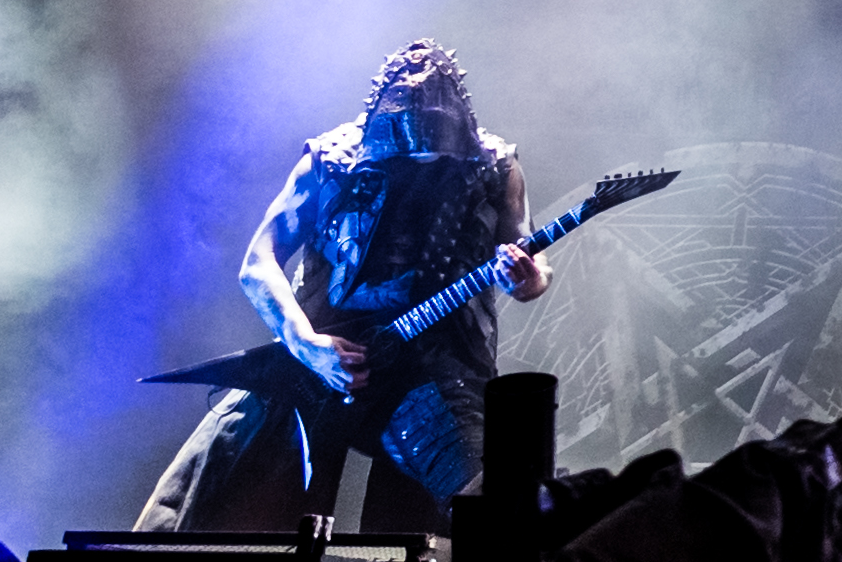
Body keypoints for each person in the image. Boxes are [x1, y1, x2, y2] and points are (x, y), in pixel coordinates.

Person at [140, 42, 546, 534]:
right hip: (320, 362)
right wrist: (306, 344)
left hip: (436, 370)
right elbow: (258, 262)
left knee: (491, 506)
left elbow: (532, 267)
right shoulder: (330, 159)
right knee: (201, 509)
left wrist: (526, 277)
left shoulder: (494, 165)